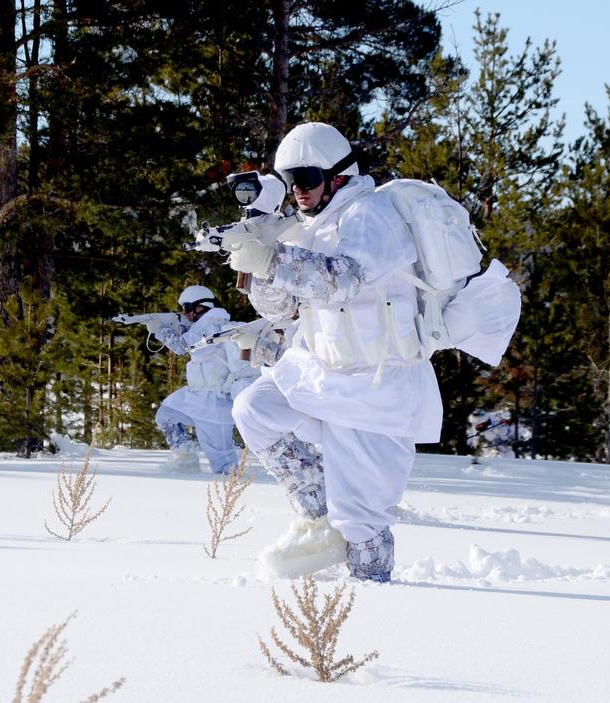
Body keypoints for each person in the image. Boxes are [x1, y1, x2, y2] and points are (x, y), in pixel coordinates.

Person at [226, 122, 443, 582]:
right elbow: (283, 309)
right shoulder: (309, 228)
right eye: (288, 182)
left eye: (305, 178)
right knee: (254, 409)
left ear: (339, 174)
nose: (296, 192)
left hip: (376, 388)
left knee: (362, 523)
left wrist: (274, 260)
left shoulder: (370, 215)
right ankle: (318, 513)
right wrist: (259, 264)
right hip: (323, 373)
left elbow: (343, 279)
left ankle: (372, 598)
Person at [148, 285, 244, 475]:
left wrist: (159, 331)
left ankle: (234, 494)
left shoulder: (212, 324)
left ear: (201, 306)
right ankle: (185, 457)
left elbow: (182, 346)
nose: (186, 313)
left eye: (188, 308)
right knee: (165, 415)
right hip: (196, 396)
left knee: (223, 464)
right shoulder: (203, 325)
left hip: (214, 402)